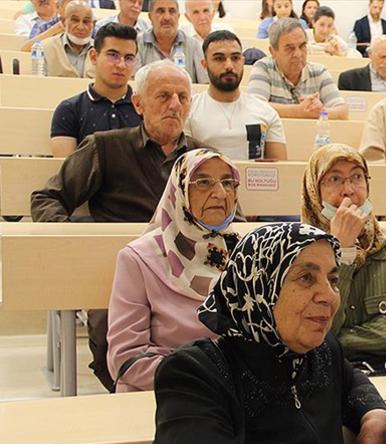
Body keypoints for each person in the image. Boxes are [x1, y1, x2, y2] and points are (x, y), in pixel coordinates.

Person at [148, 222, 386, 444]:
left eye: (333, 279)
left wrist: (376, 416)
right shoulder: (196, 374)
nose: (329, 295)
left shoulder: (320, 353)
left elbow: (352, 381)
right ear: (260, 285)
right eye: (306, 278)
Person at [32, 60, 205, 392]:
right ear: (137, 102)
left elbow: (232, 220)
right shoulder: (104, 147)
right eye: (164, 95)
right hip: (118, 274)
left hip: (188, 273)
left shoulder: (201, 156)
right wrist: (77, 244)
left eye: (183, 97)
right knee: (111, 332)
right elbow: (48, 197)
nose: (174, 105)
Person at [107, 149, 241, 392]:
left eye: (228, 182)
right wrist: (203, 376)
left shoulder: (243, 252)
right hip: (167, 390)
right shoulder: (138, 258)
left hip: (236, 390)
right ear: (180, 190)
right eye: (203, 182)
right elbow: (124, 358)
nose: (221, 193)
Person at [300, 144, 386, 371]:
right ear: (314, 191)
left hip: (383, 371)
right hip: (319, 372)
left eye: (357, 177)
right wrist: (342, 251)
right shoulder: (299, 251)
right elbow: (310, 332)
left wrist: (337, 342)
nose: (348, 190)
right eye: (335, 179)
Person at [186, 31, 287, 161]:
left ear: (242, 61)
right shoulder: (190, 110)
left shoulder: (266, 112)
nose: (229, 66)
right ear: (204, 64)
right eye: (219, 58)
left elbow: (279, 170)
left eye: (235, 58)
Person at [50, 22, 141, 158]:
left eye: (128, 58)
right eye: (113, 55)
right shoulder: (69, 110)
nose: (121, 65)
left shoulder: (144, 109)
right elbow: (67, 172)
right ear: (93, 56)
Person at [248, 18, 349, 120]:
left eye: (302, 46)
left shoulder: (319, 72)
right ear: (273, 51)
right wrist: (299, 111)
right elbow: (254, 107)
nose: (298, 54)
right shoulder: (263, 68)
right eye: (289, 48)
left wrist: (321, 111)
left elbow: (343, 111)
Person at [136, 0, 208, 84]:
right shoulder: (137, 44)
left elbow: (204, 85)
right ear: (150, 17)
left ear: (178, 16)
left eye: (172, 11)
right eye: (161, 11)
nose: (167, 17)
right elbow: (135, 84)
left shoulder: (193, 45)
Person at [40, 0, 95, 78]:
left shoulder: (100, 50)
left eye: (86, 21)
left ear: (93, 24)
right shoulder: (45, 48)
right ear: (64, 22)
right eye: (75, 20)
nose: (80, 27)